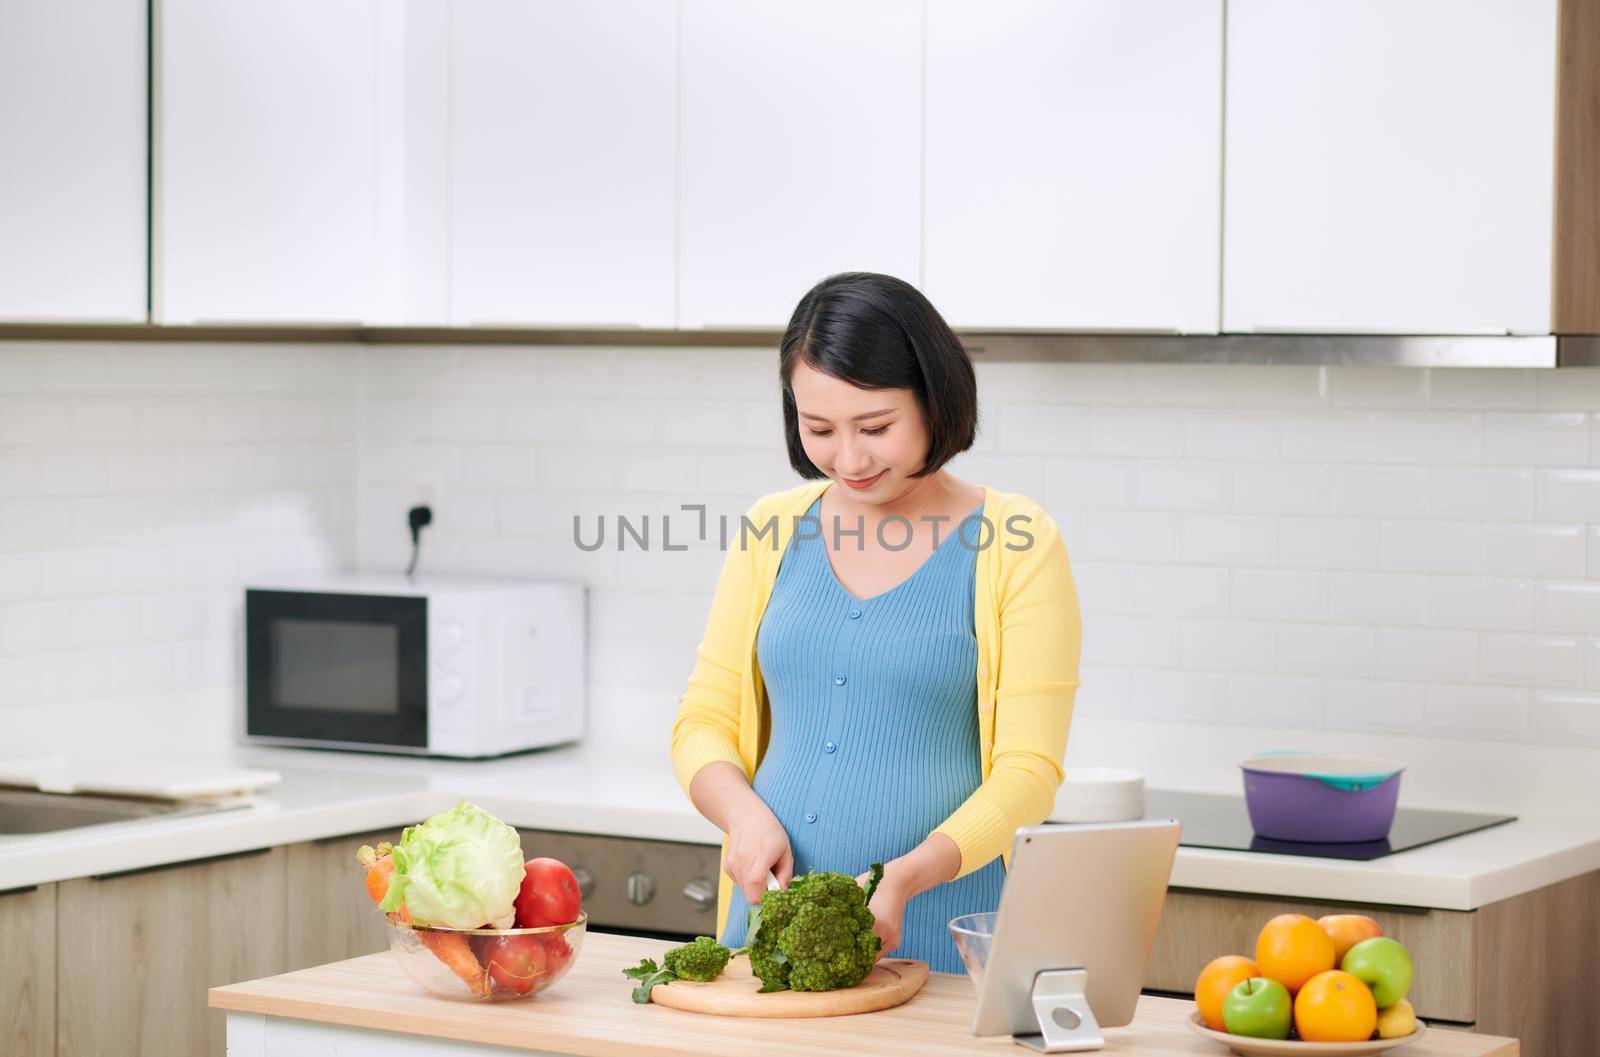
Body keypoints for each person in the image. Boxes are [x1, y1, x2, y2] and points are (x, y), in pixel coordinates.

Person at [669, 271, 1081, 973]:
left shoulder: (1017, 539)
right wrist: (741, 814)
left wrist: (909, 875)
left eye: (876, 427)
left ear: (934, 400)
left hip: (943, 933)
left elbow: (1028, 772)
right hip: (768, 934)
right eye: (819, 428)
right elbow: (701, 720)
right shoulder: (772, 528)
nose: (849, 459)